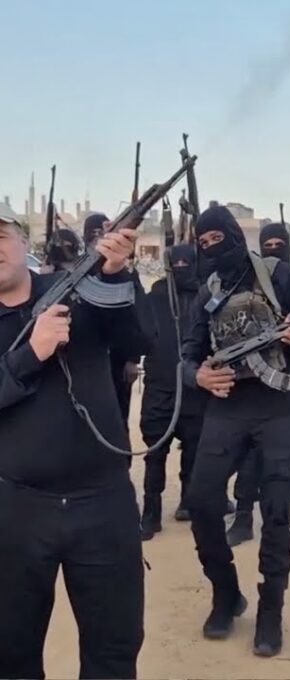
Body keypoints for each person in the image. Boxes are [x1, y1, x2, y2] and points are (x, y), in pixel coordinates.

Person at [0, 203, 146, 679]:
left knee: (113, 652)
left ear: (24, 242)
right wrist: (31, 353)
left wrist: (116, 273)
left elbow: (137, 341)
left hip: (103, 503)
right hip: (16, 509)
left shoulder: (79, 290)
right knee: (11, 654)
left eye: (0, 236)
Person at [183, 206, 290, 657]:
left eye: (217, 239)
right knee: (201, 501)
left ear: (233, 234)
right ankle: (226, 592)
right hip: (227, 407)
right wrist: (198, 376)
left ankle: (271, 610)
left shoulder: (280, 276)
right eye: (203, 243)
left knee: (277, 510)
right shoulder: (208, 289)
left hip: (279, 406)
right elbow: (187, 353)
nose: (211, 248)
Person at [227, 222, 290, 555]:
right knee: (249, 454)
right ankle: (243, 518)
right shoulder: (243, 283)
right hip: (252, 384)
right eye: (266, 245)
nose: (273, 251)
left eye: (278, 244)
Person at [139, 243, 208, 540]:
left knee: (193, 449)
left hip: (194, 386)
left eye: (186, 263)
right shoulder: (155, 296)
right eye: (175, 264)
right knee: (155, 452)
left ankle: (188, 503)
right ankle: (151, 512)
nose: (181, 268)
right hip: (160, 387)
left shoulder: (205, 295)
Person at [84, 213, 143, 429]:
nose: (97, 238)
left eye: (101, 233)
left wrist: (133, 359)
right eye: (92, 234)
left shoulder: (124, 271)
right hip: (86, 361)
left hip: (118, 360)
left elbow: (137, 318)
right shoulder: (77, 270)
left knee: (118, 417)